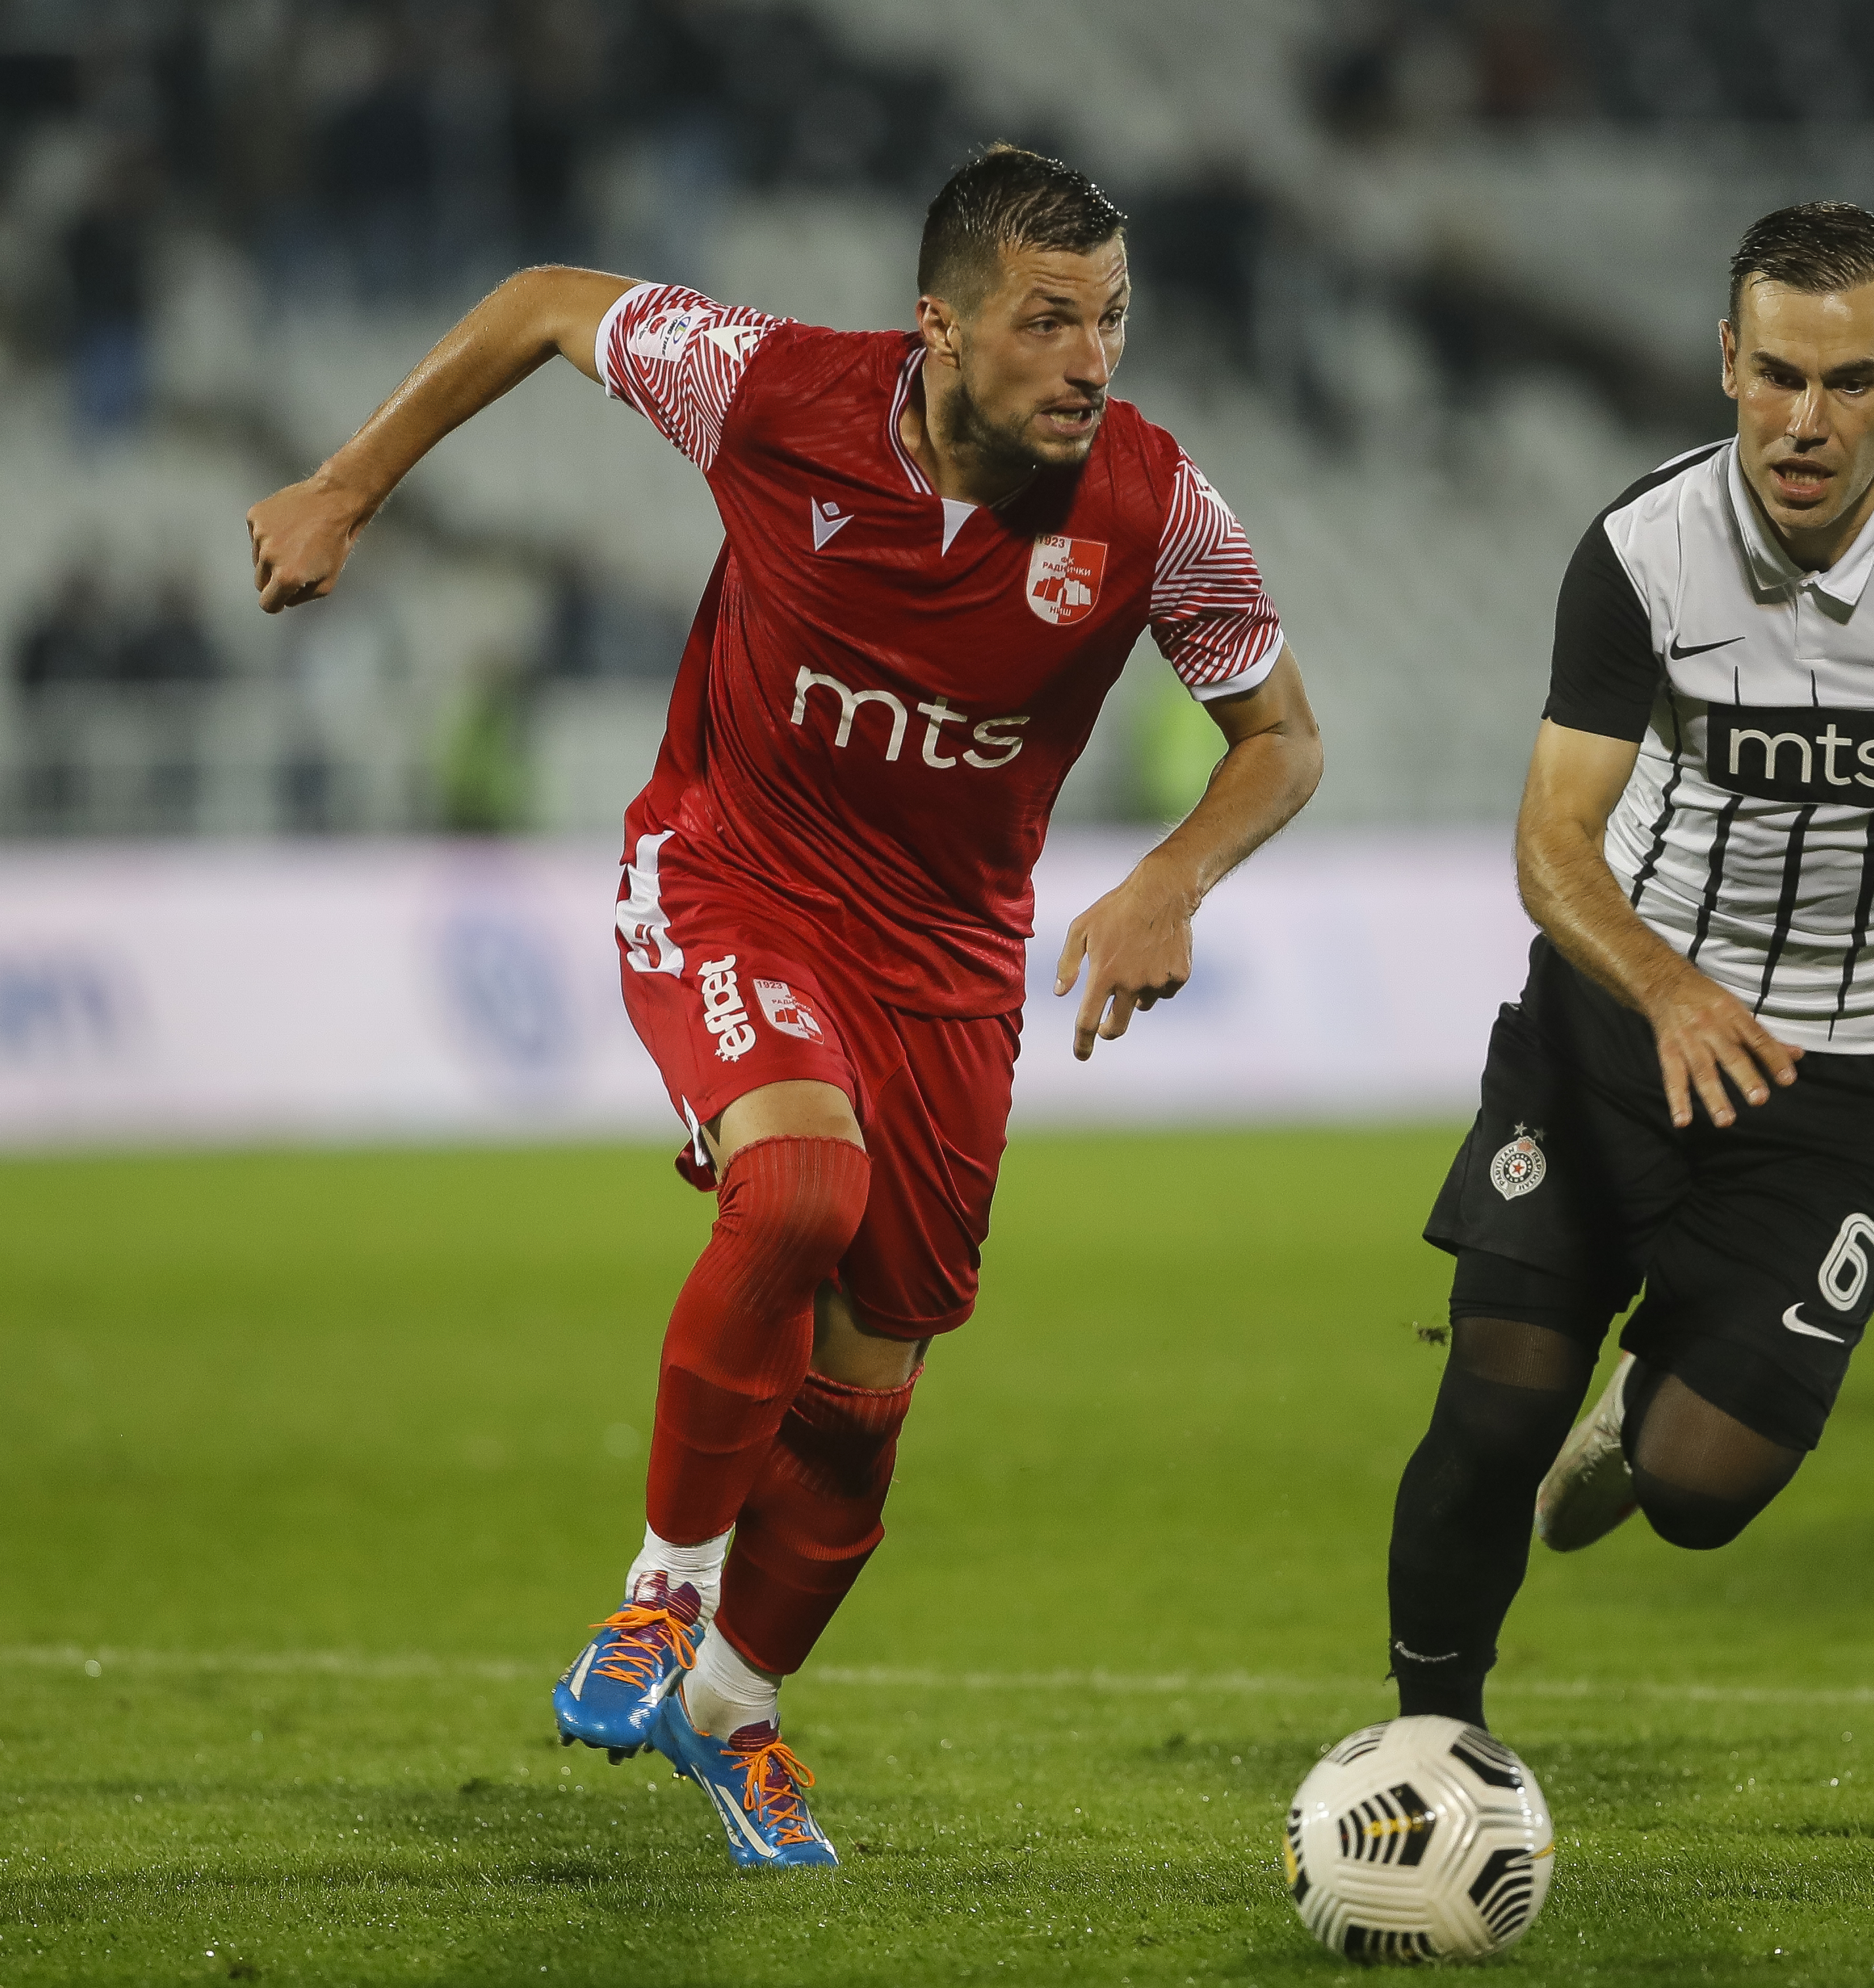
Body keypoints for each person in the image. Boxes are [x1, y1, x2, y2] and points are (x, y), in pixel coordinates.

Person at [244, 146, 1321, 1868]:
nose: (1090, 359)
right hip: (731, 871)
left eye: (1112, 319)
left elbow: (1284, 739)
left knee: (869, 1392)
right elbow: (536, 305)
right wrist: (348, 483)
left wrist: (1170, 878)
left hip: (949, 964)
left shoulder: (1157, 509)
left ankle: (732, 1710)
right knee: (801, 1186)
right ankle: (659, 1597)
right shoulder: (774, 389)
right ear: (939, 330)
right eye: (1048, 321)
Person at [1382, 201, 1874, 1732]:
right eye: (1775, 376)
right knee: (1492, 1402)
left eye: (1851, 382)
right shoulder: (1638, 551)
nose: (1806, 422)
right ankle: (1431, 1739)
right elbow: (1552, 841)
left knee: (1696, 1485)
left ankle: (1652, 1396)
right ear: (1725, 359)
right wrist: (1666, 987)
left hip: (1852, 1071)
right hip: (1618, 1030)